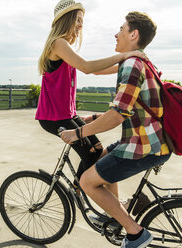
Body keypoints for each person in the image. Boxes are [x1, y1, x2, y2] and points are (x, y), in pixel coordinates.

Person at [61, 11, 171, 248]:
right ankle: (115, 213)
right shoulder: (139, 61)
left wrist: (78, 133)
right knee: (99, 158)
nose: (116, 33)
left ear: (134, 34)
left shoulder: (132, 64)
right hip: (143, 139)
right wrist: (91, 117)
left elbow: (117, 116)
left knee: (87, 182)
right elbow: (126, 105)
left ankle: (135, 233)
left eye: (121, 29)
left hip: (145, 146)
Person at [36, 0, 146, 190]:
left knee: (99, 152)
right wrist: (123, 56)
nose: (80, 25)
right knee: (91, 154)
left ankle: (79, 190)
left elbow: (95, 71)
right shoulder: (58, 43)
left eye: (82, 21)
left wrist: (129, 63)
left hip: (67, 114)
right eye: (78, 20)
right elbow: (87, 67)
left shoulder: (65, 47)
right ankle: (80, 191)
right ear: (66, 19)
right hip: (53, 117)